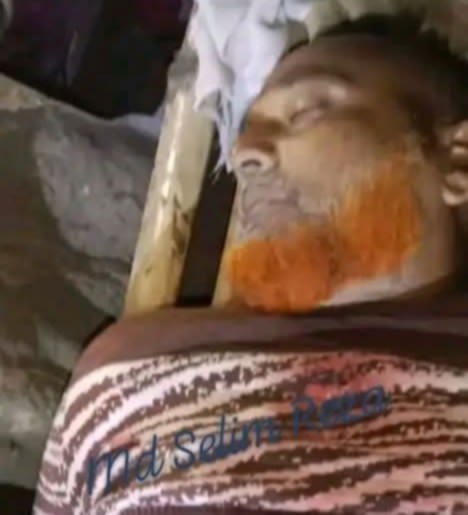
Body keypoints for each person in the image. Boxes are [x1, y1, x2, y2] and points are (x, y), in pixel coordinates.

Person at [33, 16, 468, 515]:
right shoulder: (120, 372)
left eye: (306, 111)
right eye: (245, 131)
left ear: (457, 162)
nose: (244, 154)